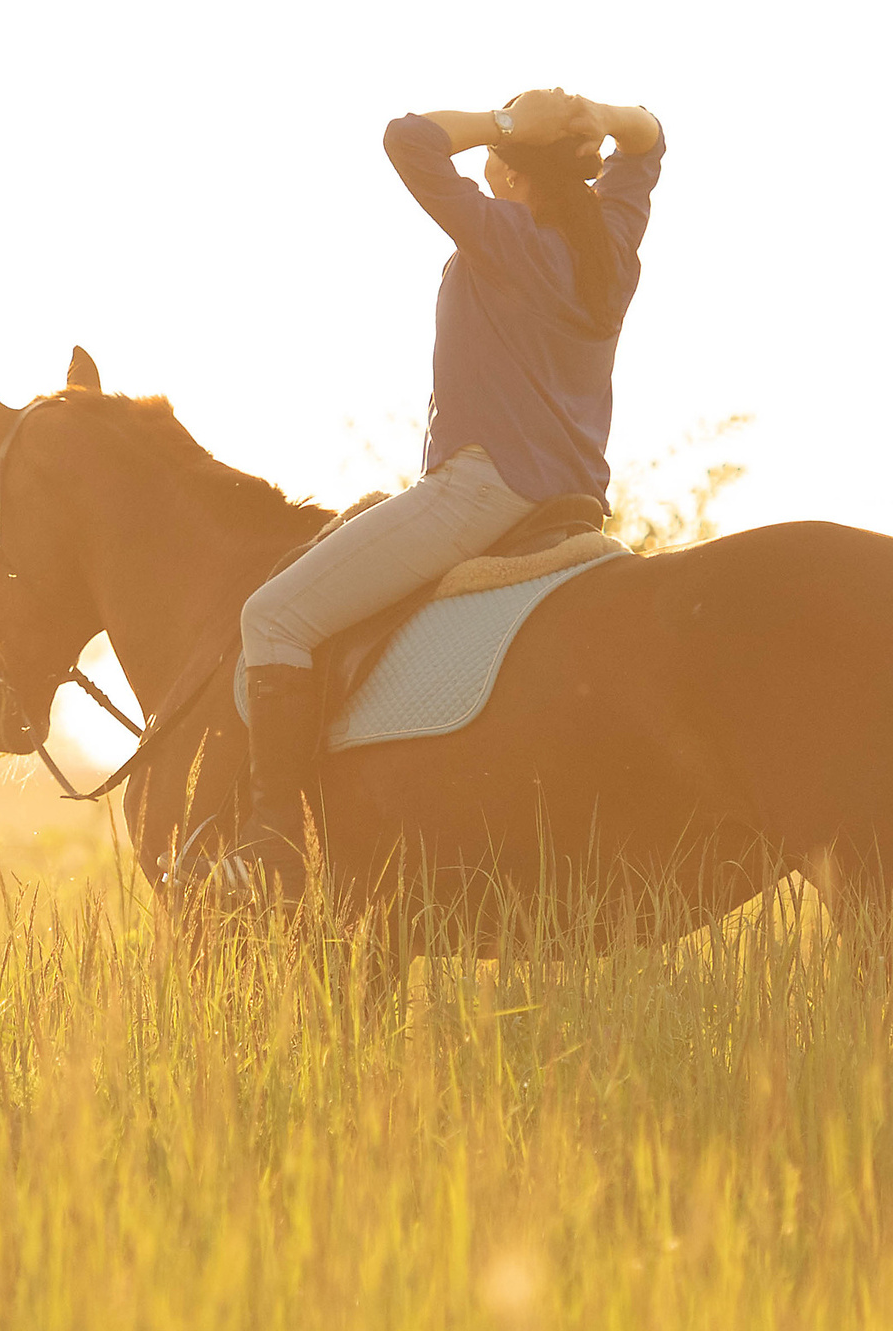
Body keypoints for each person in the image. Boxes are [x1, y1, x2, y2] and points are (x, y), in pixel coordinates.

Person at [235, 88, 667, 870]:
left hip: (481, 495)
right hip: (570, 501)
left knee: (272, 619)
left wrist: (509, 124)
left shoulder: (508, 236)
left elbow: (409, 140)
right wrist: (598, 118)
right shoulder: (611, 244)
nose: (490, 156)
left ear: (508, 169)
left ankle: (272, 844)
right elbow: (650, 143)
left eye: (500, 150)